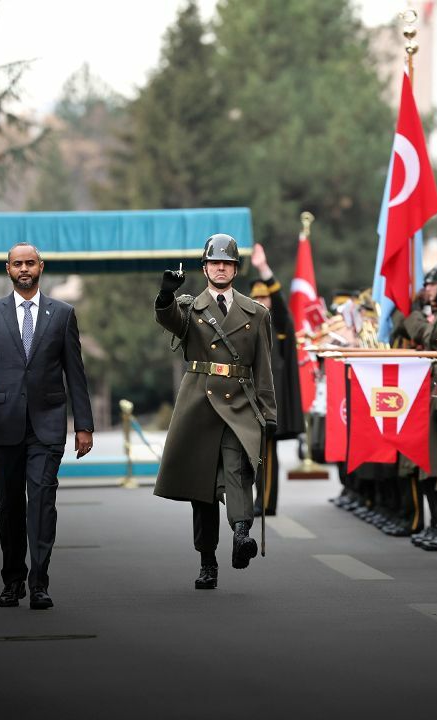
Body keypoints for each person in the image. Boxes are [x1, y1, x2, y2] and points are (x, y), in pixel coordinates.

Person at [0, 242, 94, 611]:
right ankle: (12, 580)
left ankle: (39, 582)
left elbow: (75, 373)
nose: (24, 269)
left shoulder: (63, 313)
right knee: (9, 508)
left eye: (30, 263)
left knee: (41, 502)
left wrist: (83, 425)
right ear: (8, 269)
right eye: (17, 264)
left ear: (41, 267)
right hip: (3, 426)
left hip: (47, 425)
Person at [154, 234, 277, 590]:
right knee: (202, 489)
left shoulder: (257, 313)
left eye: (227, 262)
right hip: (200, 405)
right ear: (204, 268)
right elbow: (170, 321)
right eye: (214, 262)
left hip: (239, 403)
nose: (220, 267)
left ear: (235, 269)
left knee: (238, 471)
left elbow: (264, 368)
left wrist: (268, 412)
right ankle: (207, 561)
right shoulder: (190, 308)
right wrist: (165, 296)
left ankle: (241, 535)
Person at [248, 243, 303, 517]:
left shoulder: (277, 323)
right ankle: (258, 500)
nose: (261, 302)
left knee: (266, 455)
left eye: (265, 297)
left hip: (268, 402)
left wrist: (263, 269)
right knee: (254, 456)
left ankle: (266, 502)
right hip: (248, 400)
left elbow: (280, 304)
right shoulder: (247, 323)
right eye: (256, 298)